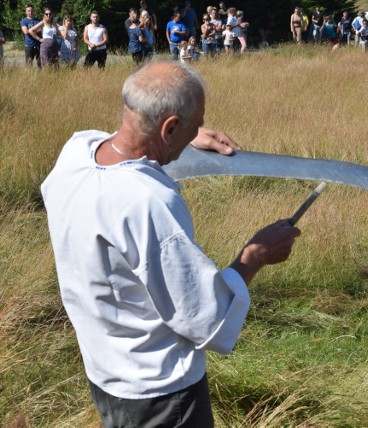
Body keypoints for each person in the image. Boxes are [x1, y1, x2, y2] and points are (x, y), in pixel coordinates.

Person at [41, 61, 301, 427]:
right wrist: (254, 256)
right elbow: (204, 315)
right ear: (170, 127)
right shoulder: (149, 203)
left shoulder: (76, 152)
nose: (200, 130)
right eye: (194, 123)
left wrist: (187, 135)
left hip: (105, 371)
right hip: (159, 392)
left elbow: (129, 144)